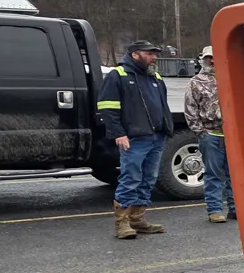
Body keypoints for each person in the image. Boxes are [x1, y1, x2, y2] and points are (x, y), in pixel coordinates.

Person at [97, 39, 172, 239]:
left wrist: (166, 128)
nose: (154, 57)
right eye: (149, 53)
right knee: (131, 179)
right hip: (134, 138)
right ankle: (122, 224)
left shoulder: (154, 76)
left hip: (156, 136)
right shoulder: (118, 75)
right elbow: (107, 108)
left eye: (154, 53)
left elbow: (162, 105)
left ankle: (137, 219)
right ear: (135, 54)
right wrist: (118, 133)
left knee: (148, 179)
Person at [184, 45, 234, 223]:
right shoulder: (196, 82)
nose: (212, 61)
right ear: (203, 60)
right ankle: (215, 210)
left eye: (215, 57)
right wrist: (201, 132)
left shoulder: (231, 78)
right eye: (208, 58)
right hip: (211, 135)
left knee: (235, 175)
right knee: (213, 174)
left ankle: (236, 209)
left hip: (233, 136)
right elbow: (190, 109)